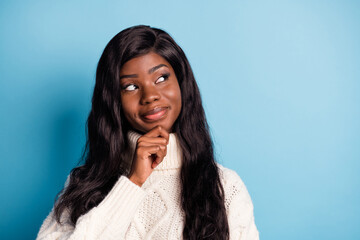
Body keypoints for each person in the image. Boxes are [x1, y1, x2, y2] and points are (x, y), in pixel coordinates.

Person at [36, 25, 259, 240]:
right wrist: (133, 182)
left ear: (182, 84)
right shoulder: (85, 183)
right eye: (131, 87)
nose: (150, 95)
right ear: (114, 100)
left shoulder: (225, 187)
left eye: (161, 78)